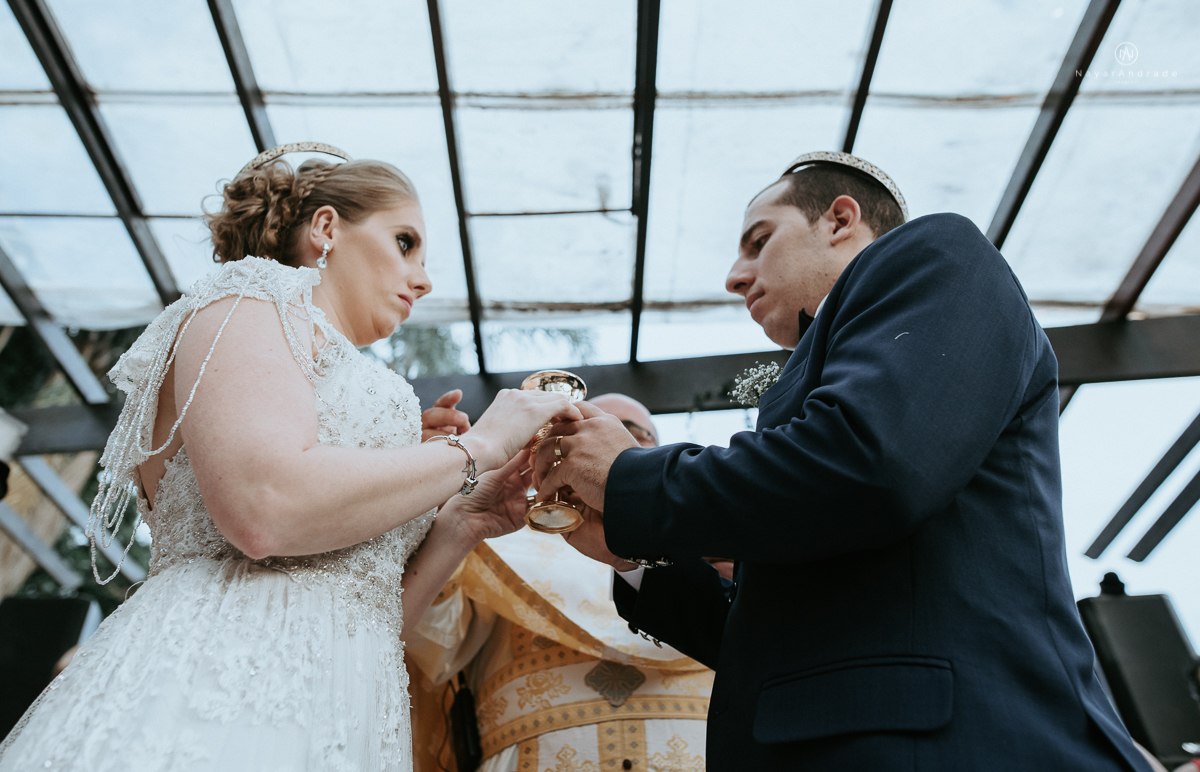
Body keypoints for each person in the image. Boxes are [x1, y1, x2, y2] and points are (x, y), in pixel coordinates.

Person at [533, 152, 1152, 770]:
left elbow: (869, 464)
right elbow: (778, 643)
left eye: (759, 240)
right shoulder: (822, 388)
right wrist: (632, 554)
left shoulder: (935, 254)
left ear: (839, 220)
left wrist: (632, 477)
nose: (734, 276)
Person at [0, 143, 579, 771]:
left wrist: (466, 521)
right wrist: (480, 446)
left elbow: (366, 609)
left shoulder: (321, 364)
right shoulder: (250, 299)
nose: (424, 277)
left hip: (339, 715)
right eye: (405, 241)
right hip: (220, 689)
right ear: (326, 228)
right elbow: (264, 509)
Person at [406, 393, 716, 772]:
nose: (603, 448)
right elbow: (436, 645)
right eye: (578, 433)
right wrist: (426, 496)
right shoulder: (495, 539)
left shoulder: (698, 539)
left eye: (631, 436)